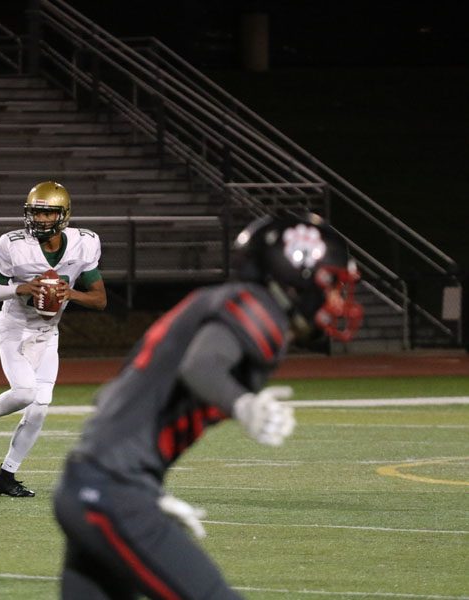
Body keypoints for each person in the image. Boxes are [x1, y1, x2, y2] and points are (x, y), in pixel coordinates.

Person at [51, 213, 364, 599]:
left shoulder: (213, 301)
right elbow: (201, 365)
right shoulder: (259, 307)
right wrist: (243, 404)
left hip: (86, 483)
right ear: (295, 272)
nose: (335, 296)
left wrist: (144, 491)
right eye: (330, 282)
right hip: (111, 492)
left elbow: (111, 397)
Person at [0, 181, 107, 497]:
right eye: (36, 213)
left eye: (47, 213)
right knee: (26, 392)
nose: (40, 220)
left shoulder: (84, 244)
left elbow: (100, 300)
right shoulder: (14, 245)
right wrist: (21, 288)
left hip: (47, 334)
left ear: (63, 215)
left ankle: (6, 476)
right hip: (15, 328)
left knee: (40, 408)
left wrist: (69, 292)